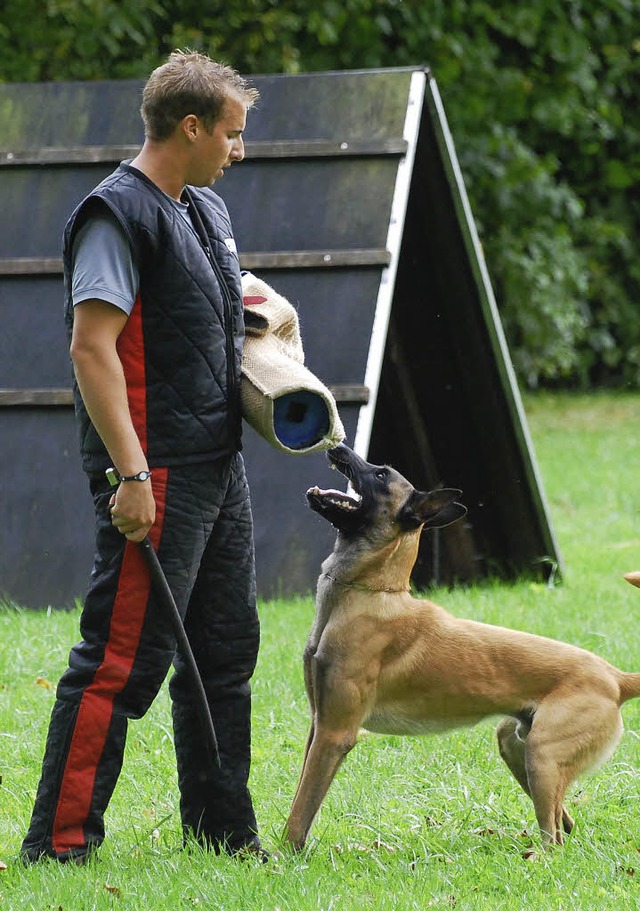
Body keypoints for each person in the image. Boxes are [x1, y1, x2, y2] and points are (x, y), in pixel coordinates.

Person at [21, 50, 265, 864]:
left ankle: (224, 835)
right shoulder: (115, 214)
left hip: (217, 467)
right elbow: (92, 349)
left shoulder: (203, 210)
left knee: (225, 657)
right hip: (153, 471)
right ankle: (58, 848)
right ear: (189, 127)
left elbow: (206, 311)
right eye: (231, 134)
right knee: (119, 666)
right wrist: (129, 475)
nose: (239, 149)